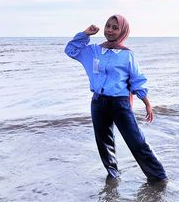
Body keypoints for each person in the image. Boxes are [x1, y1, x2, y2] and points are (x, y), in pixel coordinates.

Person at [64, 14, 167, 183]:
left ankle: (159, 177)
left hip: (120, 103)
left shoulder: (127, 56)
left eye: (115, 27)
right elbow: (71, 50)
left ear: (122, 31)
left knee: (136, 141)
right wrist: (86, 34)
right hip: (98, 102)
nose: (110, 30)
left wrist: (147, 103)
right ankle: (113, 176)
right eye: (108, 26)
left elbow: (137, 80)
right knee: (104, 143)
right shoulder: (94, 50)